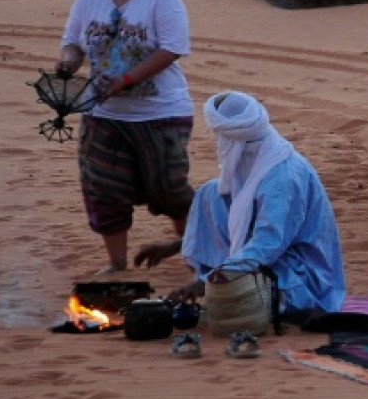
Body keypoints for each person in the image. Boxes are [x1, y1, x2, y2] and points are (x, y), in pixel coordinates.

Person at [134, 91, 346, 324]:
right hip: (269, 257)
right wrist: (176, 245)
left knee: (252, 297)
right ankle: (225, 281)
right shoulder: (255, 162)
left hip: (303, 275)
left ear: (232, 138)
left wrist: (203, 283)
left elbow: (267, 244)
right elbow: (242, 218)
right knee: (211, 193)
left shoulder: (282, 178)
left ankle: (225, 283)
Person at [56, 0, 195, 274]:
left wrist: (127, 79)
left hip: (160, 111)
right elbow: (73, 41)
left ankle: (199, 257)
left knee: (169, 189)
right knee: (103, 187)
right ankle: (117, 264)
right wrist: (69, 62)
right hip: (103, 112)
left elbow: (173, 48)